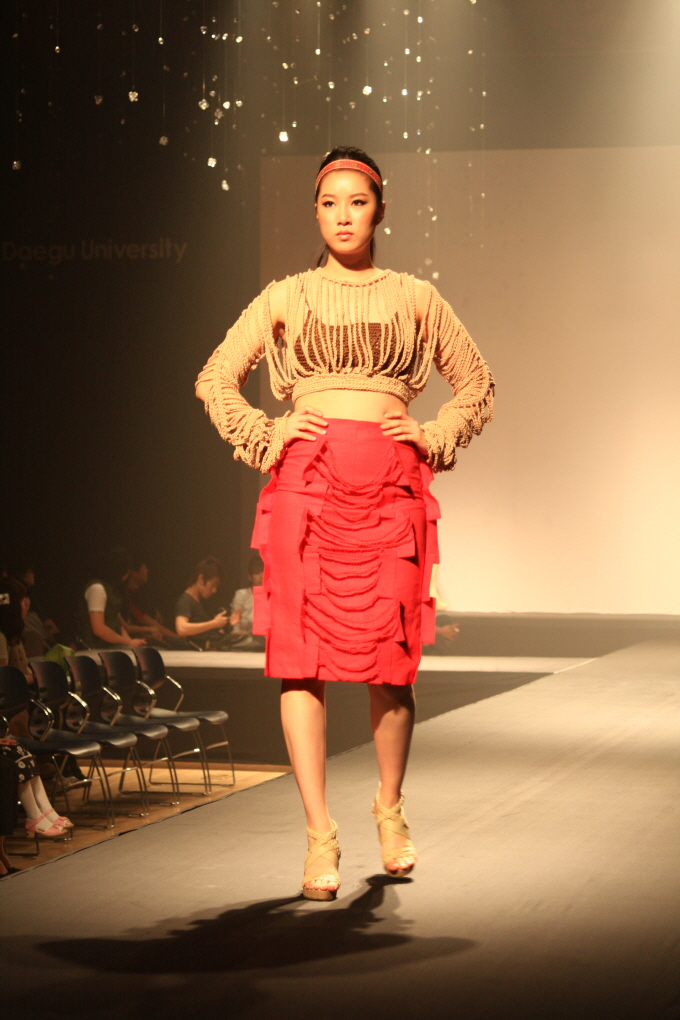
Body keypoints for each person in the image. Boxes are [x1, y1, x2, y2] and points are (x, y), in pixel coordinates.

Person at [195, 146, 494, 900]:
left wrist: (433, 434)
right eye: (330, 203)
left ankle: (389, 808)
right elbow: (216, 377)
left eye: (357, 202)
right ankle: (318, 834)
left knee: (392, 660)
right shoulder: (285, 296)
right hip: (307, 484)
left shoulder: (415, 297)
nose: (343, 216)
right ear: (316, 211)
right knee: (300, 661)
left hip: (390, 483)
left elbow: (476, 383)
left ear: (379, 209)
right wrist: (267, 433)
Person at [75, 547, 146, 649]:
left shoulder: (111, 590)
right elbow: (99, 629)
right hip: (96, 648)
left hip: (111, 646)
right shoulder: (97, 588)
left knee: (149, 651)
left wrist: (131, 643)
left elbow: (117, 624)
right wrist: (128, 642)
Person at [121, 554, 184, 647]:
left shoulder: (142, 594)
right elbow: (147, 622)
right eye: (144, 567)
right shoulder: (126, 595)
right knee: (180, 644)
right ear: (133, 572)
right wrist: (178, 637)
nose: (147, 570)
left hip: (154, 635)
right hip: (140, 639)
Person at [174, 557, 235, 647]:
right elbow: (181, 628)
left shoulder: (201, 601)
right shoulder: (185, 601)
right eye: (213, 585)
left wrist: (228, 622)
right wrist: (213, 623)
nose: (214, 590)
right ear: (201, 579)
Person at [229, 554, 266, 650]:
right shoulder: (241, 595)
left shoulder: (272, 597)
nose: (261, 576)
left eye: (263, 571)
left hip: (265, 643)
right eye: (257, 572)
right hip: (243, 642)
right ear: (250, 576)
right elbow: (235, 628)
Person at [0, 578, 33, 685]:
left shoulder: (14, 636)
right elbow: (4, 680)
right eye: (22, 600)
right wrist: (36, 678)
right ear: (14, 606)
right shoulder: (1, 638)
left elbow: (23, 668)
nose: (25, 605)